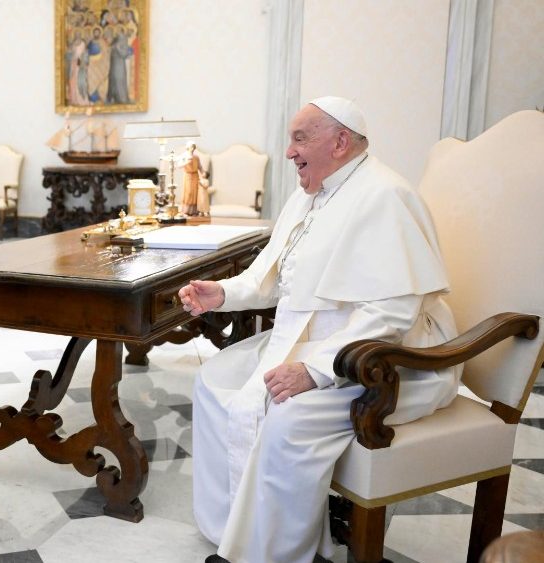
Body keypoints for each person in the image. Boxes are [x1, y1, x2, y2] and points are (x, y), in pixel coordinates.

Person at [178, 96, 460, 563]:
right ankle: (232, 533)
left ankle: (275, 554)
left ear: (341, 141)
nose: (288, 152)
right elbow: (275, 277)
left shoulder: (385, 194)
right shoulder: (309, 193)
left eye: (300, 138)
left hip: (386, 358)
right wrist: (222, 294)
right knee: (212, 384)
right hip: (308, 337)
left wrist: (315, 369)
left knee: (287, 416)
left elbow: (392, 314)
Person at [180, 142, 205, 216]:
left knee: (195, 193)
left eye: (193, 147)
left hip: (195, 176)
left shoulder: (196, 157)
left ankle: (194, 211)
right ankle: (186, 210)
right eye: (191, 147)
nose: (192, 149)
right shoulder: (184, 156)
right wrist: (186, 162)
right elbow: (179, 165)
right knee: (189, 193)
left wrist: (203, 172)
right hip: (188, 176)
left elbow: (200, 166)